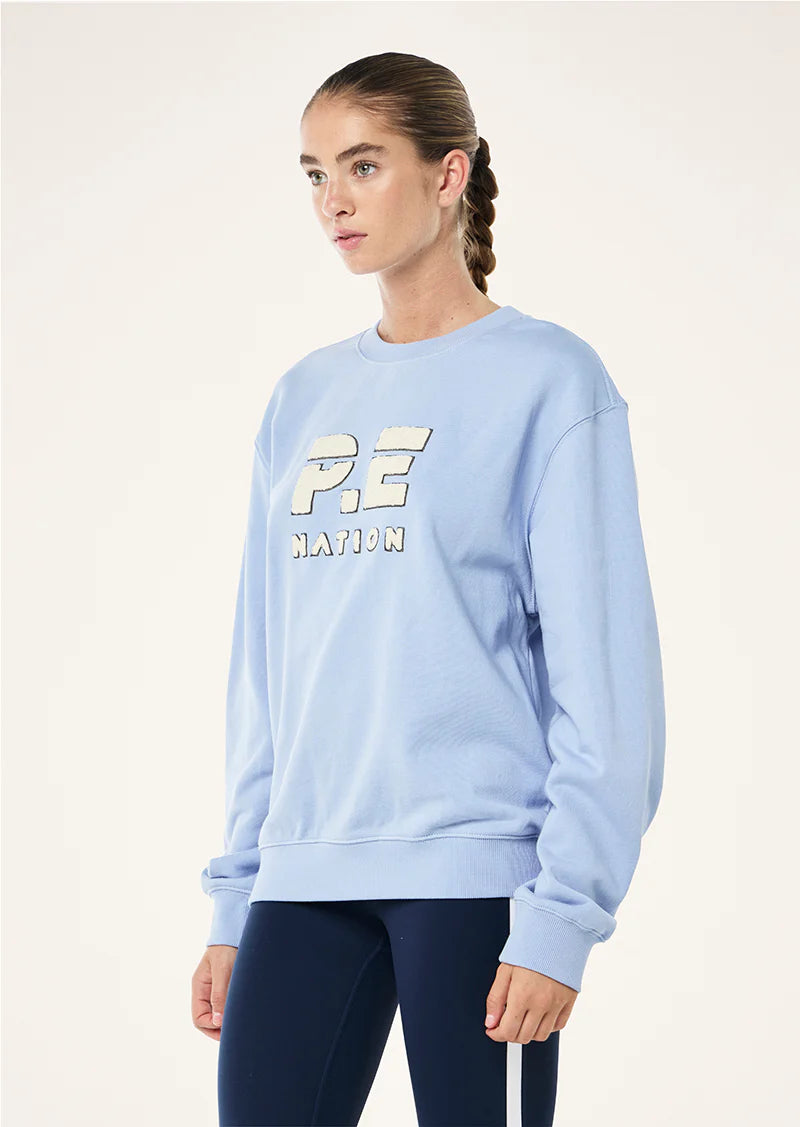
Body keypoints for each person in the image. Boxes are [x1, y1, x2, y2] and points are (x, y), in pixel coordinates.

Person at [190, 51, 666, 1127]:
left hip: (479, 879)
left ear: (448, 174)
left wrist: (563, 914)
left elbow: (606, 681)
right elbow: (265, 670)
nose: (334, 200)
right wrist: (236, 894)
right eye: (315, 173)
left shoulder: (549, 379)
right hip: (303, 874)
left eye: (363, 165)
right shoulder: (303, 398)